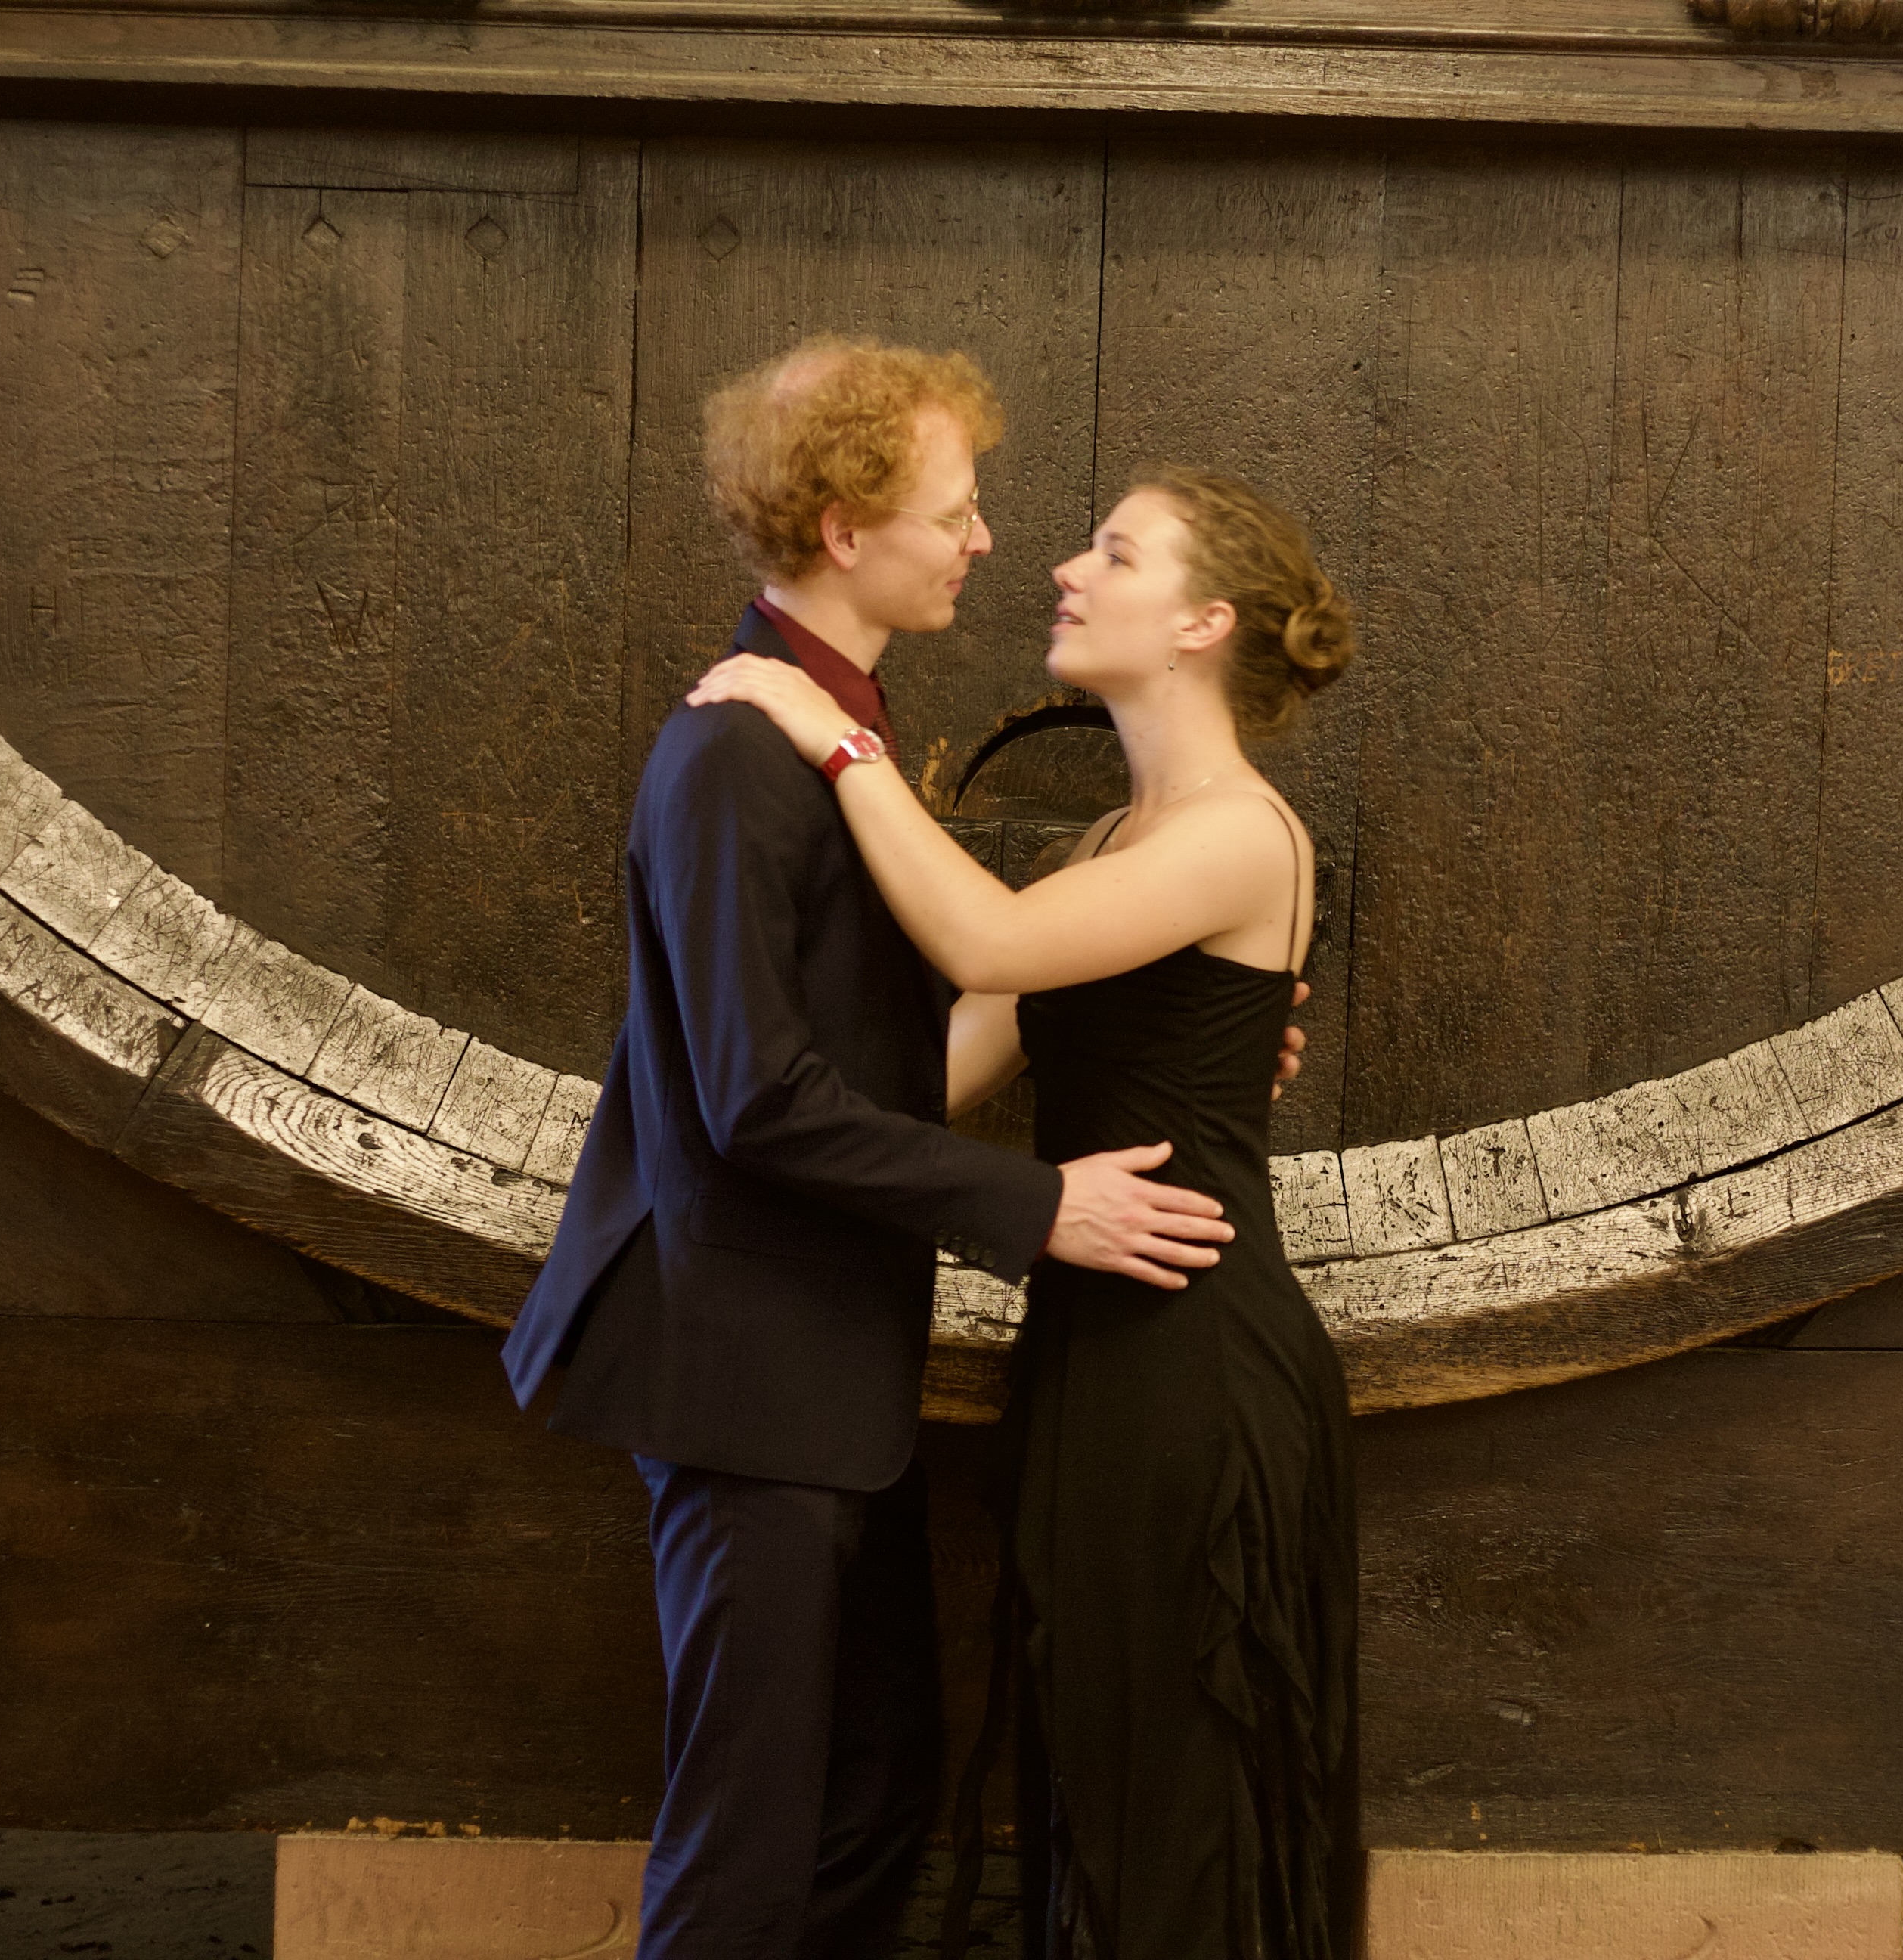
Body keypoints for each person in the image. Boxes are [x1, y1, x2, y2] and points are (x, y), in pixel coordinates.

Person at [501, 337, 1265, 1960]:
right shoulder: (736, 750)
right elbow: (758, 1100)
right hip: (744, 1376)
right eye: (955, 510)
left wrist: (1153, 1037)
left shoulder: (833, 724)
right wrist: (1036, 1207)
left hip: (830, 1376)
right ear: (846, 530)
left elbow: (887, 1048)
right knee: (747, 1847)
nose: (985, 540)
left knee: (873, 1798)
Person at [688, 464, 1364, 1960]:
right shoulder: (1108, 843)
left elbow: (985, 941)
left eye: (1114, 553)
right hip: (1087, 1357)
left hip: (1197, 1361)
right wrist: (726, 1062)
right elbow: (930, 1076)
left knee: (1178, 1796)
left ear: (1201, 622)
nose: (1065, 568)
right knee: (1099, 1780)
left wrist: (839, 742)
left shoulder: (1241, 834)